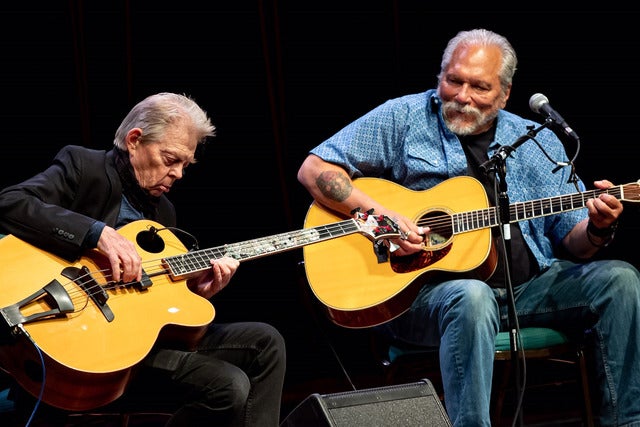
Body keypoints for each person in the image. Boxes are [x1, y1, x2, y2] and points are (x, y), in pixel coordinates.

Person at [297, 28, 640, 426]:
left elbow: (575, 242)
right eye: (453, 80)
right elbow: (313, 169)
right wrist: (382, 217)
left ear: (505, 94)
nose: (461, 96)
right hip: (428, 299)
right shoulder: (403, 117)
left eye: (479, 87)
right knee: (472, 296)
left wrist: (598, 227)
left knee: (620, 279)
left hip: (528, 291)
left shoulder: (535, 141)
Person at [0, 92, 286, 426]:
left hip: (139, 345)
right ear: (135, 140)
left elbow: (154, 309)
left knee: (266, 342)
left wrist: (196, 293)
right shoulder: (84, 167)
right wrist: (96, 233)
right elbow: (10, 202)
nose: (178, 174)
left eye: (185, 165)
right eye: (170, 159)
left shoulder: (165, 214)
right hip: (82, 343)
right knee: (228, 385)